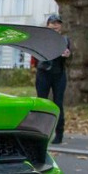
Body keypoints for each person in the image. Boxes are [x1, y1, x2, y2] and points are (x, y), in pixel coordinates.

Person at [35, 13, 71, 144]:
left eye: (58, 23)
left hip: (59, 74)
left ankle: (59, 134)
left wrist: (68, 54)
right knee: (42, 103)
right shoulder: (42, 39)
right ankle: (40, 133)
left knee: (58, 103)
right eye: (52, 23)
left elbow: (70, 57)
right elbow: (37, 55)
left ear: (61, 26)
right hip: (43, 73)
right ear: (47, 25)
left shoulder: (65, 40)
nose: (55, 25)